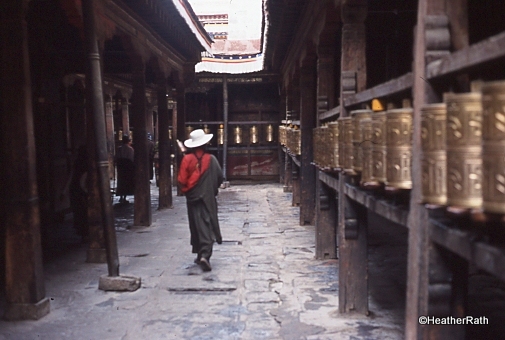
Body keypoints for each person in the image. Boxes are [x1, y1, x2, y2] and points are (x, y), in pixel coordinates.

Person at [178, 129, 223, 272]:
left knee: (195, 224)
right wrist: (210, 188)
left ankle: (199, 253)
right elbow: (219, 177)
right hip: (207, 197)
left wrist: (189, 190)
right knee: (207, 224)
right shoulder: (212, 159)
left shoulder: (187, 159)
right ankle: (204, 255)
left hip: (192, 198)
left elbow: (181, 180)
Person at [115, 135, 135, 203]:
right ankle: (124, 196)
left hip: (120, 167)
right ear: (128, 141)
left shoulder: (119, 148)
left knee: (121, 181)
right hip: (127, 167)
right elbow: (131, 159)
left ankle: (121, 196)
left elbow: (116, 157)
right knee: (126, 182)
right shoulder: (130, 149)